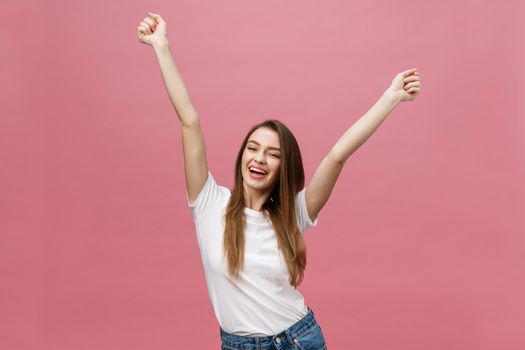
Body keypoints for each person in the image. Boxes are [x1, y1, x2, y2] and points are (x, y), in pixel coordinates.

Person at [137, 11, 421, 350]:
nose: (259, 158)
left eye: (272, 153)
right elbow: (189, 121)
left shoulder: (293, 214)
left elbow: (338, 156)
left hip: (299, 339)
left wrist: (390, 98)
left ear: (284, 167)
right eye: (253, 148)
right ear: (242, 155)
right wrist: (161, 46)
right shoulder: (210, 202)